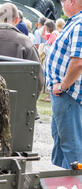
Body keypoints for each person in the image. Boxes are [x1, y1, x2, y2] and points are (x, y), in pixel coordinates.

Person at [44, 0, 82, 169]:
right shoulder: (74, 22)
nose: (62, 3)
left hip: (68, 94)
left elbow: (78, 62)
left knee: (71, 147)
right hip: (64, 94)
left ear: (72, 2)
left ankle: (76, 188)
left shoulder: (79, 25)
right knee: (61, 141)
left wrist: (63, 85)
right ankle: (56, 183)